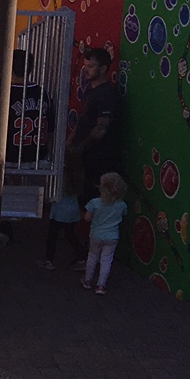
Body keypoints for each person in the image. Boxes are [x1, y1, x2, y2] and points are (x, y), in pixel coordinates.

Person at [74, 47, 124, 199]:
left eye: (91, 66)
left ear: (103, 69)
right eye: (85, 66)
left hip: (98, 161)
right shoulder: (93, 92)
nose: (86, 70)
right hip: (87, 159)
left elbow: (101, 128)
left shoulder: (107, 94)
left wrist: (80, 148)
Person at [6, 48, 54, 169]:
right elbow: (51, 129)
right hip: (37, 158)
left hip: (9, 158)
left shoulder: (5, 94)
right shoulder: (42, 93)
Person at [83, 171, 128, 293]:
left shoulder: (94, 202)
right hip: (112, 236)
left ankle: (87, 280)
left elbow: (87, 218)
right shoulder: (122, 205)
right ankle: (101, 285)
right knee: (106, 260)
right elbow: (124, 215)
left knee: (92, 257)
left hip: (96, 235)